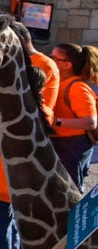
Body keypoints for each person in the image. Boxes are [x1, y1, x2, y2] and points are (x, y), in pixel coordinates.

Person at [49, 43, 98, 184]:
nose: (50, 59)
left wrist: (56, 121)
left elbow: (90, 122)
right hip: (60, 143)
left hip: (72, 147)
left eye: (54, 57)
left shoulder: (77, 88)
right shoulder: (59, 82)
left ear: (67, 65)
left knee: (69, 190)